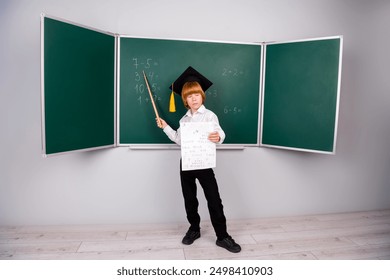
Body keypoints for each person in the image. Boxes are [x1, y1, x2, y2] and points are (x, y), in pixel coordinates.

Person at [156, 66, 241, 253]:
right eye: (189, 95)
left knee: (214, 200)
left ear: (202, 95)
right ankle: (194, 229)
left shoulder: (210, 115)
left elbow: (220, 132)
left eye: (196, 94)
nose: (193, 98)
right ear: (184, 99)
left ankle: (222, 236)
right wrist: (165, 127)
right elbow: (179, 139)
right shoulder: (184, 120)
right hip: (186, 163)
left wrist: (218, 137)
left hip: (204, 163)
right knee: (189, 198)